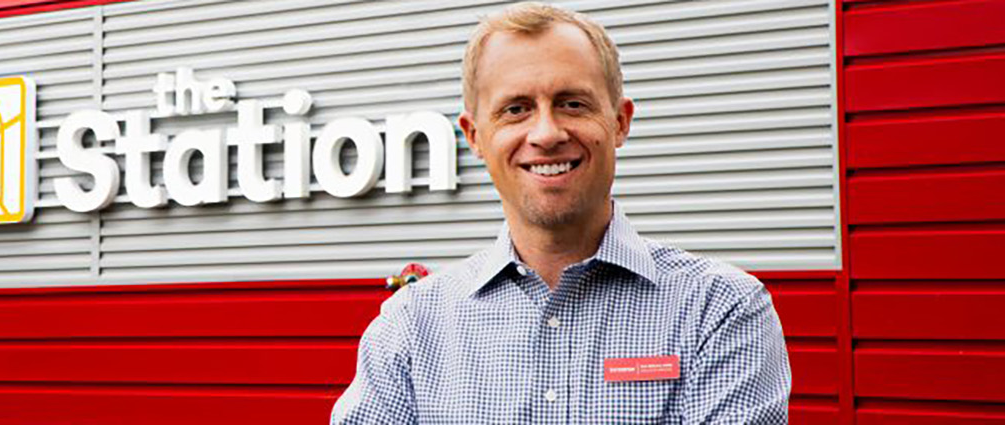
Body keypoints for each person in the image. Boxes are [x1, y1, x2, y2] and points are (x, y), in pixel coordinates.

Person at [330, 2, 791, 423]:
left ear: (620, 122)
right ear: (474, 135)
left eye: (572, 103)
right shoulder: (412, 326)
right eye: (516, 109)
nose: (547, 133)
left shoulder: (720, 309)